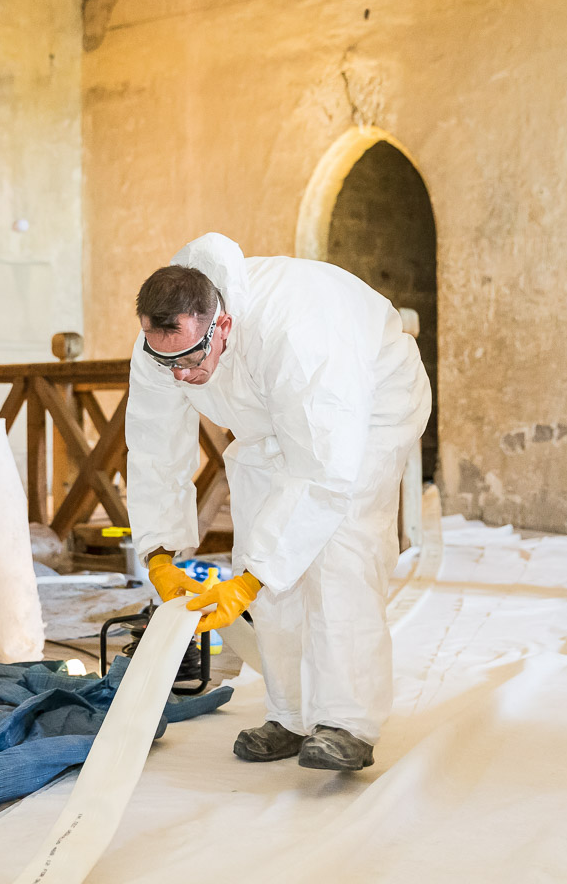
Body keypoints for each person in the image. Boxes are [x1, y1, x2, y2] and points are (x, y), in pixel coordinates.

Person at [127, 233, 429, 771]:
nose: (182, 374)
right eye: (167, 362)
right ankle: (290, 715)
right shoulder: (164, 345)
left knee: (340, 547)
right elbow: (153, 449)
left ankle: (347, 722)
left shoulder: (295, 326)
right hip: (270, 419)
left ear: (221, 323)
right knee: (262, 540)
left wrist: (253, 578)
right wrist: (159, 552)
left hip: (370, 396)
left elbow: (323, 471)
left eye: (193, 359)